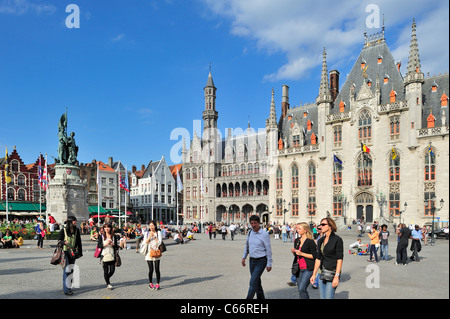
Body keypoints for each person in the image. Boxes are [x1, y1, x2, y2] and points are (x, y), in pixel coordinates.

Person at [310, 217, 343, 299]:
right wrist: (314, 274)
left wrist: (337, 276)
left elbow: (339, 259)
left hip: (332, 273)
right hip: (322, 273)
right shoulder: (320, 240)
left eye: (323, 224)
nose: (321, 226)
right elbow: (318, 259)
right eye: (320, 224)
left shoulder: (337, 240)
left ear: (330, 226)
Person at [242, 215, 273, 299]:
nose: (253, 225)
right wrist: (244, 257)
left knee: (252, 282)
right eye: (251, 223)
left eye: (255, 223)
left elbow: (268, 250)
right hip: (252, 260)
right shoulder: (250, 232)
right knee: (257, 282)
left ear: (259, 223)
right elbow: (247, 246)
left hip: (261, 261)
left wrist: (269, 263)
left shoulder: (264, 234)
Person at [291, 222, 317, 299]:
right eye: (297, 228)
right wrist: (294, 252)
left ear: (305, 230)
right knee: (300, 290)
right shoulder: (297, 240)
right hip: (298, 268)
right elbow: (297, 255)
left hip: (307, 268)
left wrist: (302, 253)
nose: (297, 230)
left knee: (302, 289)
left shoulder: (310, 241)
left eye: (299, 228)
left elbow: (314, 256)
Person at [58, 216, 83, 295]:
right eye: (74, 221)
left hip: (73, 252)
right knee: (66, 270)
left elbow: (79, 242)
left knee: (71, 270)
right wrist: (63, 242)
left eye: (75, 220)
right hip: (65, 252)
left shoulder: (76, 230)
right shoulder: (64, 230)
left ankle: (68, 285)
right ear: (70, 222)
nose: (75, 222)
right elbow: (59, 240)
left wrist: (80, 252)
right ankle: (67, 289)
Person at [98, 223, 119, 290]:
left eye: (108, 227)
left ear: (110, 228)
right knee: (105, 270)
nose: (106, 229)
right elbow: (98, 245)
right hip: (104, 255)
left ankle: (106, 278)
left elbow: (116, 246)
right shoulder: (101, 236)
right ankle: (108, 283)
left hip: (112, 255)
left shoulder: (114, 236)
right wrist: (105, 244)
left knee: (112, 270)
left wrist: (113, 244)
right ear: (103, 229)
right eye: (105, 227)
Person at [145, 221, 163, 290]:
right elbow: (145, 242)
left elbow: (159, 242)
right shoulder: (146, 233)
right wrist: (149, 237)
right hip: (149, 253)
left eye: (152, 225)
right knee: (151, 269)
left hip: (156, 253)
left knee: (157, 269)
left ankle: (158, 284)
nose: (151, 227)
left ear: (155, 226)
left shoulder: (158, 233)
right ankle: (150, 283)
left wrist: (155, 237)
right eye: (150, 226)